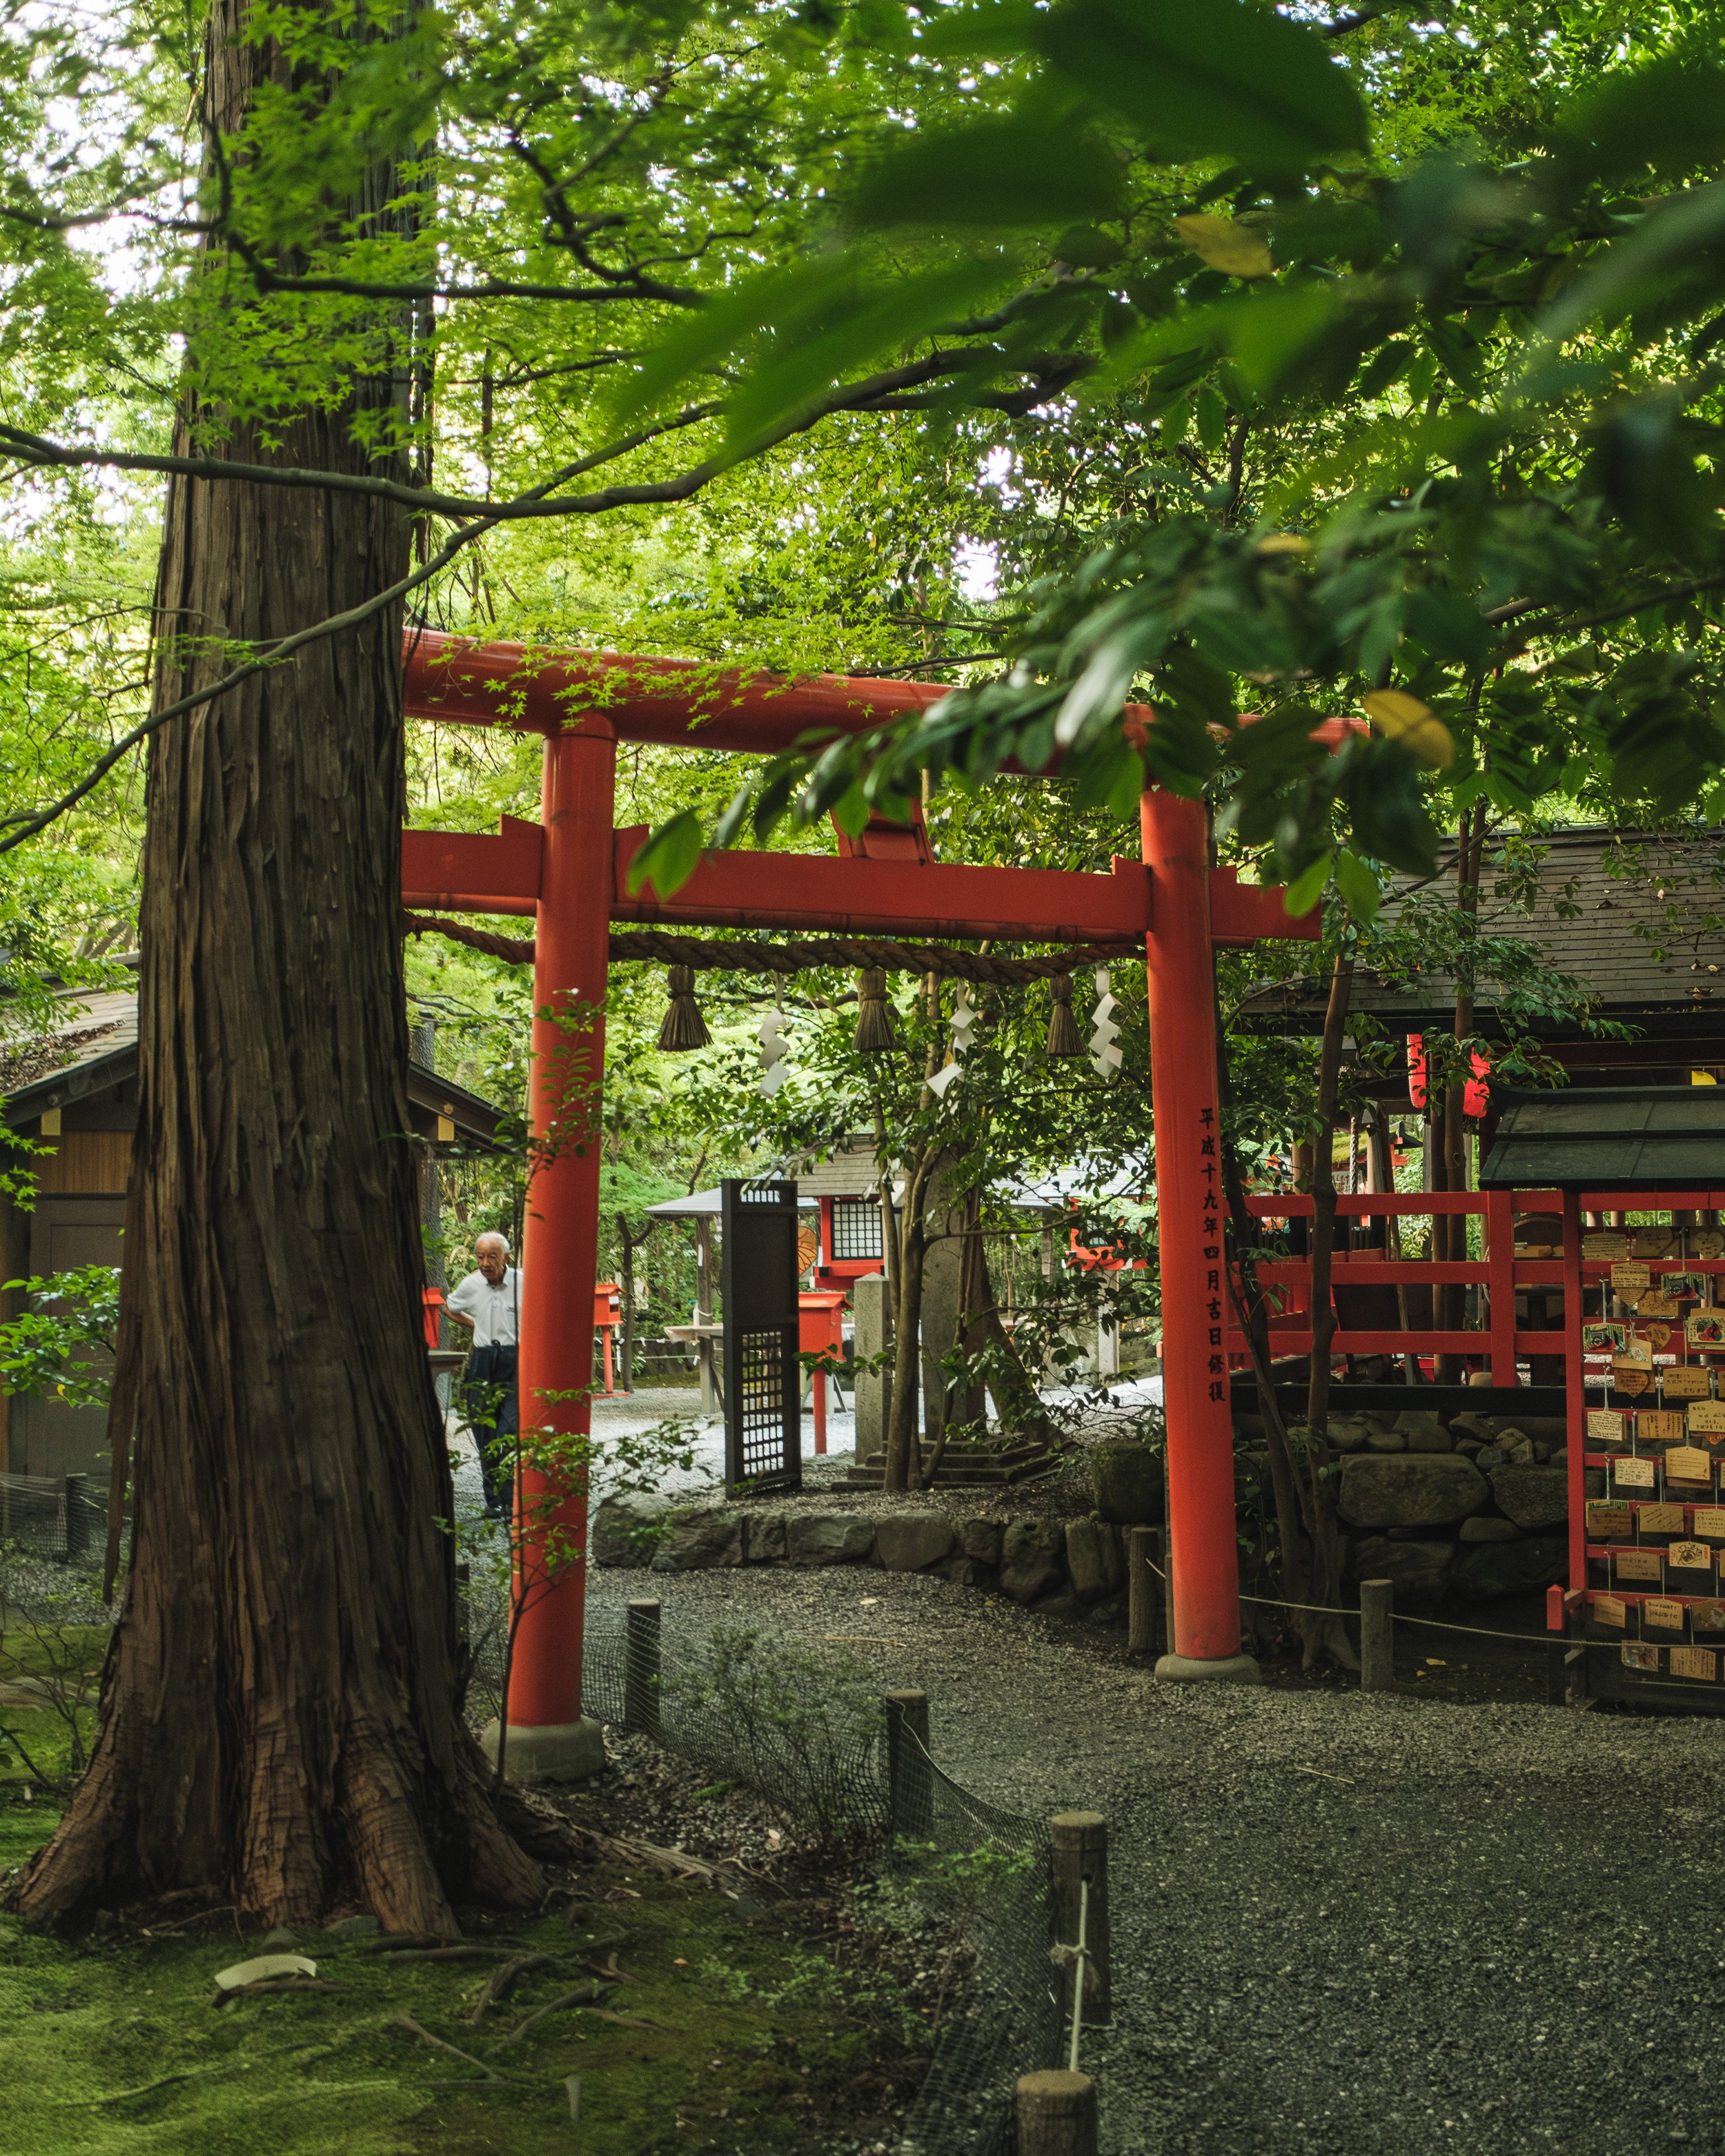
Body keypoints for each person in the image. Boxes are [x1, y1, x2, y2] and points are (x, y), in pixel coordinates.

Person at [446, 1232, 521, 1521]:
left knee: (509, 1431)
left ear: (506, 1259)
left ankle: (512, 1498)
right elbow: (449, 1307)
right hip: (482, 1360)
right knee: (483, 1432)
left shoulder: (523, 1281)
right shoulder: (471, 1284)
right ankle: (494, 1501)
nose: (485, 1263)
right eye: (480, 1256)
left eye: (492, 1256)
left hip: (515, 1359)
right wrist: (474, 1325)